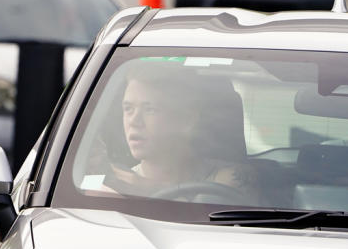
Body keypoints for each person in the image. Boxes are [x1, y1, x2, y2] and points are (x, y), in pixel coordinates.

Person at [105, 63, 258, 201]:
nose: (134, 121)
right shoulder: (114, 190)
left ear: (188, 119)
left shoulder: (229, 177)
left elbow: (202, 220)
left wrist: (146, 189)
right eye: (128, 109)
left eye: (149, 109)